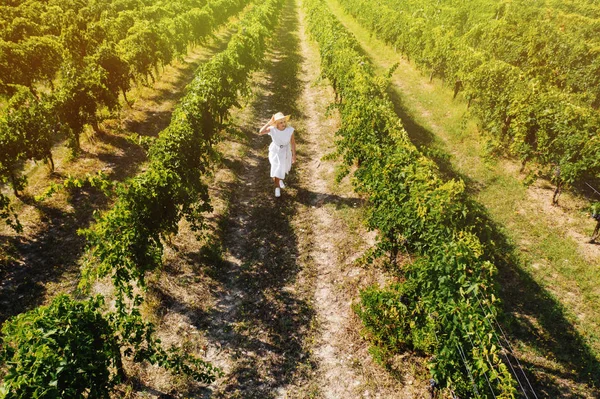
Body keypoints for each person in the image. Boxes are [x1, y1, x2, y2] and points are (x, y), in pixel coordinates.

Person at [258, 112, 296, 197]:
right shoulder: (272, 129)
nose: (283, 124)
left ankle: (278, 179)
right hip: (275, 151)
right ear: (276, 124)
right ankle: (277, 187)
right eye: (281, 122)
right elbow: (260, 132)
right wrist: (269, 122)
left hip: (285, 151)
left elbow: (293, 143)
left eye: (284, 122)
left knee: (282, 168)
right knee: (276, 167)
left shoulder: (289, 130)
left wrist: (294, 155)